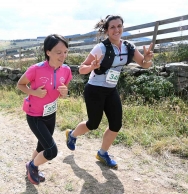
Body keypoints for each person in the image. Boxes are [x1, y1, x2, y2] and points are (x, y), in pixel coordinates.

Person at [65, 15, 154, 169]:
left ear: (123, 27)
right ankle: (72, 135)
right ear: (106, 30)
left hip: (111, 90)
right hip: (94, 90)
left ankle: (102, 153)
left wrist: (147, 59)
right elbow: (81, 69)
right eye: (112, 27)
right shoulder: (100, 48)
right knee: (93, 124)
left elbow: (144, 65)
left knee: (116, 124)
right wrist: (92, 66)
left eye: (119, 26)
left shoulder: (128, 47)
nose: (116, 29)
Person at [17, 34, 72, 185]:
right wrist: (34, 92)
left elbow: (64, 92)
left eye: (65, 52)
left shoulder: (66, 70)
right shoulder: (36, 69)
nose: (63, 55)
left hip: (50, 114)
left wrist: (65, 93)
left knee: (42, 145)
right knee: (51, 151)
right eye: (58, 52)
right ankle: (32, 166)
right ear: (48, 52)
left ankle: (32, 167)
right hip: (34, 115)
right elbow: (20, 84)